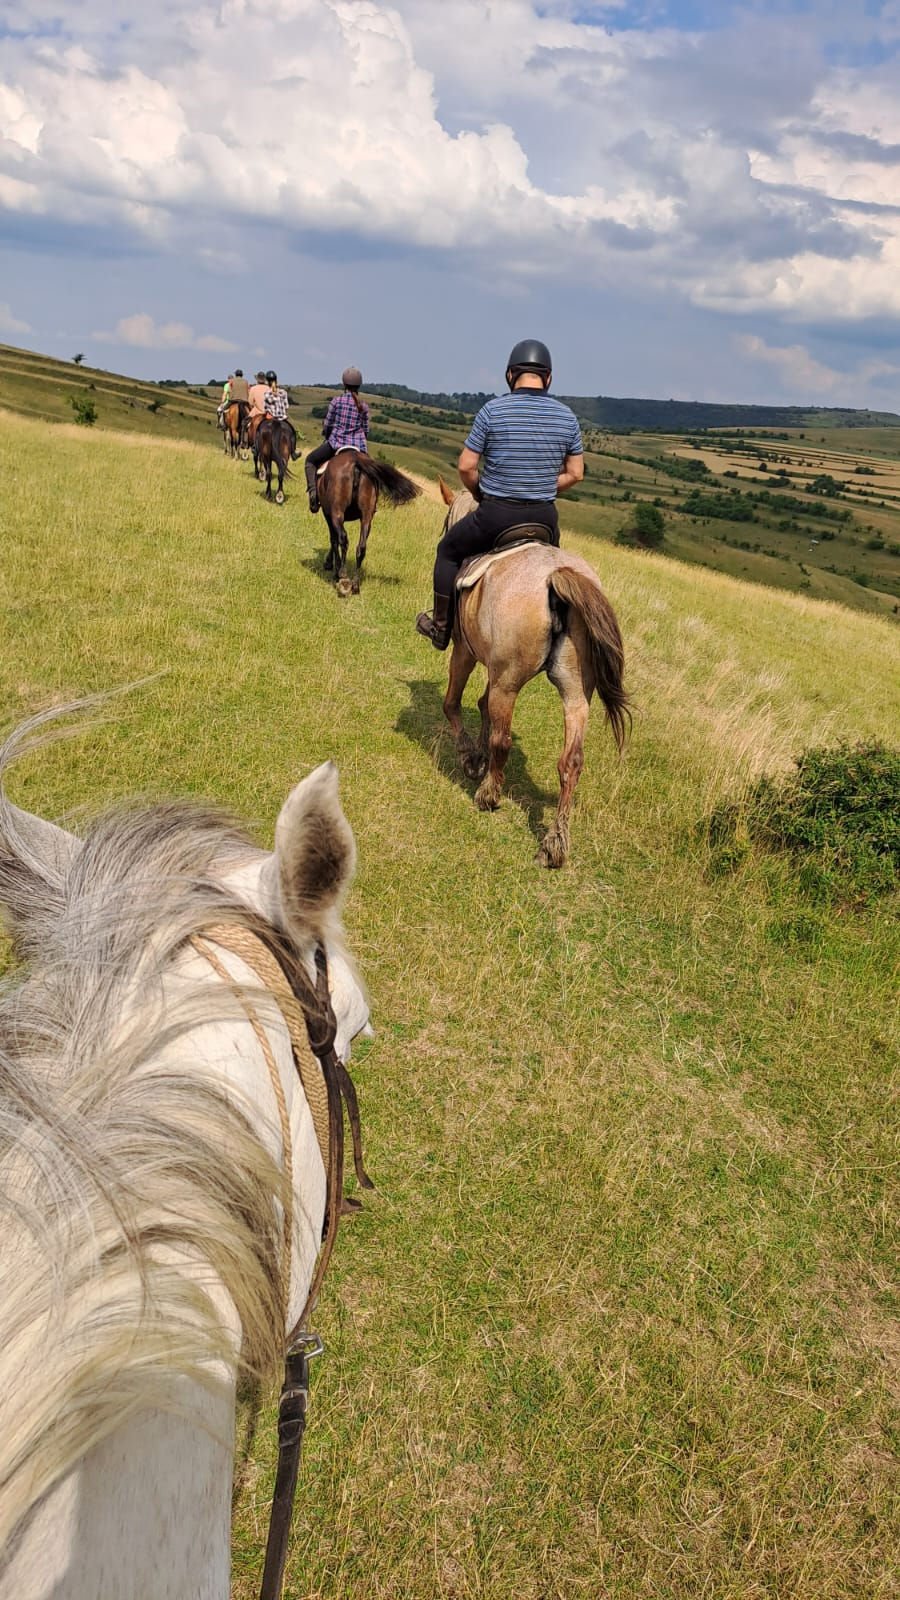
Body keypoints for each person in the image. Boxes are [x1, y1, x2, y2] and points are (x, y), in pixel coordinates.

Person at [415, 339, 583, 649]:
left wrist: (481, 492)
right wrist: (544, 486)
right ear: (548, 377)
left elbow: (466, 467)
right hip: (545, 520)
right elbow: (576, 473)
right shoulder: (567, 417)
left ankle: (440, 627)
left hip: (497, 516)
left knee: (448, 551)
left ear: (510, 375)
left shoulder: (493, 410)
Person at [305, 367, 370, 514]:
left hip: (337, 444)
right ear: (359, 385)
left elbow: (328, 424)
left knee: (310, 461)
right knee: (373, 473)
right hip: (359, 446)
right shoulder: (364, 406)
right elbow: (366, 431)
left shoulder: (337, 402)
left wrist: (327, 435)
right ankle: (372, 502)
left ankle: (314, 496)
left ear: (344, 384)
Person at [262, 370, 299, 458]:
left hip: (271, 418)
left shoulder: (267, 394)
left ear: (267, 382)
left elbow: (266, 408)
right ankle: (293, 452)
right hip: (283, 419)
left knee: (259, 430)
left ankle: (256, 447)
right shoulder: (283, 392)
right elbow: (286, 406)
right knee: (293, 433)